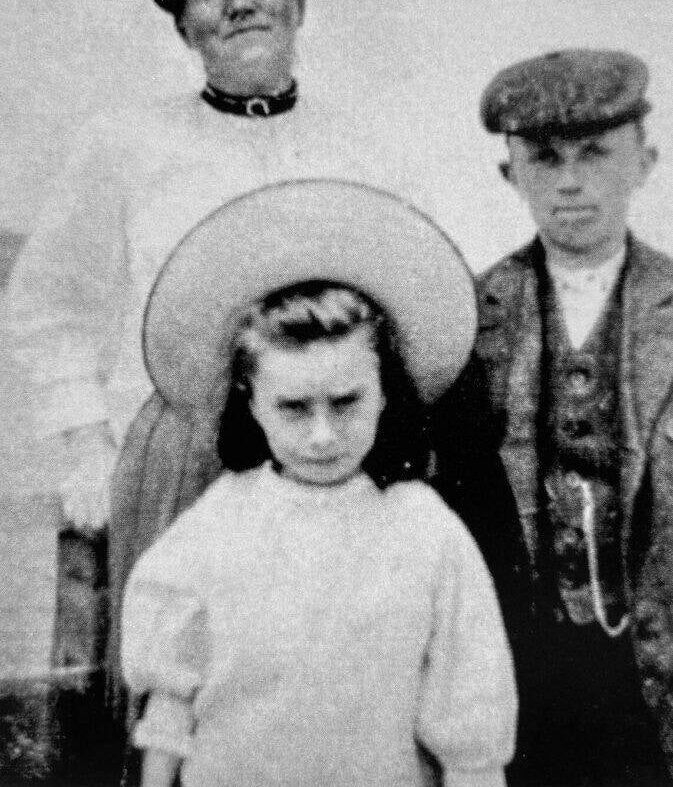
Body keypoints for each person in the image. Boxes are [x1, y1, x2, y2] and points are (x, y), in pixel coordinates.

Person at [4, 0, 375, 537]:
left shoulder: (361, 148)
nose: (238, 1)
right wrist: (88, 445)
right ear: (181, 21)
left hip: (331, 468)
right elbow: (50, 305)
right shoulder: (124, 145)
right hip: (178, 473)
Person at [120, 177, 516, 787]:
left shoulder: (424, 527)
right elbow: (169, 700)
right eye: (294, 407)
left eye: (347, 402)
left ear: (386, 391)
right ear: (251, 403)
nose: (324, 436)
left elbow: (471, 720)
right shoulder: (216, 525)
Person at [431, 48, 673, 786]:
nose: (569, 182)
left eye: (595, 154)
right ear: (510, 176)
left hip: (654, 660)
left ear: (644, 161)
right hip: (523, 662)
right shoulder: (464, 317)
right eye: (543, 159)